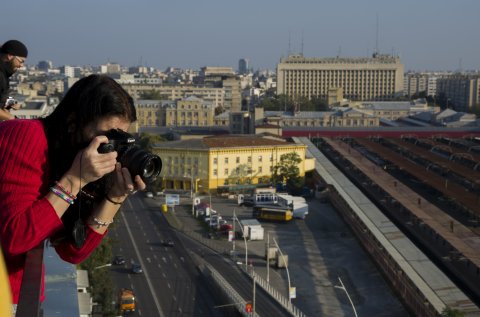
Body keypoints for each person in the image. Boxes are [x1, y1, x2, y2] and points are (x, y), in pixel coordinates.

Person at [0, 74, 146, 312]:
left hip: (20, 298)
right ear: (72, 123)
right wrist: (75, 179)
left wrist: (114, 197)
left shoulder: (68, 158)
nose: (109, 149)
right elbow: (16, 239)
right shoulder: (26, 135)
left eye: (120, 140)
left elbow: (72, 251)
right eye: (107, 136)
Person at [0, 39, 28, 121]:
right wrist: (12, 119)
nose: (21, 65)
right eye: (21, 61)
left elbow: (1, 96)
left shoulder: (4, 73)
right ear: (10, 56)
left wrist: (11, 103)